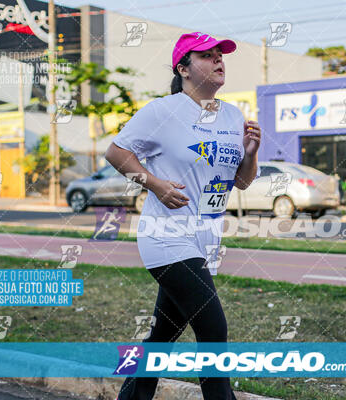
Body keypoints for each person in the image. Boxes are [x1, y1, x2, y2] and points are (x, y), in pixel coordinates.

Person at [105, 31, 261, 400]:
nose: (219, 60)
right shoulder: (163, 110)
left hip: (206, 240)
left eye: (221, 55)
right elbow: (116, 152)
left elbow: (240, 181)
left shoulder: (233, 115)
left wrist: (251, 153)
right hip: (166, 234)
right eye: (208, 55)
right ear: (184, 68)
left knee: (162, 335)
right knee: (213, 329)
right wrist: (156, 184)